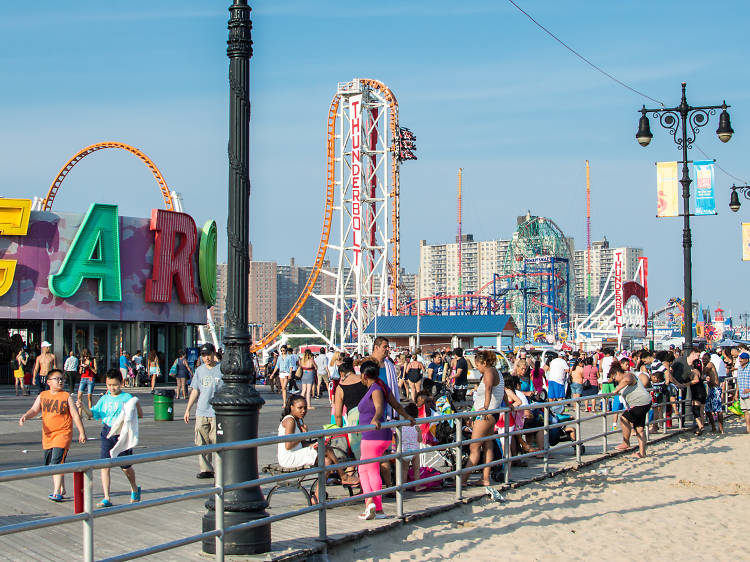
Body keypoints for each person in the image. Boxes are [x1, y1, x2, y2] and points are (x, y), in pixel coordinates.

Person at [357, 360, 414, 520]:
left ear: (364, 375)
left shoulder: (375, 389)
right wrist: (408, 417)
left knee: (367, 470)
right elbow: (397, 405)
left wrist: (375, 419)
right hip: (383, 436)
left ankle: (371, 504)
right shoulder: (382, 386)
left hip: (372, 435)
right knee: (370, 468)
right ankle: (378, 508)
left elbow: (380, 407)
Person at [19, 368, 87, 501]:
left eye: (62, 379)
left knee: (56, 462)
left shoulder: (66, 396)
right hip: (48, 435)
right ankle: (61, 488)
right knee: (51, 463)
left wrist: (81, 432)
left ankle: (56, 492)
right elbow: (34, 409)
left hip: (63, 434)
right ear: (49, 381)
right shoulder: (43, 395)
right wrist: (25, 416)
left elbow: (74, 415)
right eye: (57, 379)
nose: (60, 381)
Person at [86, 369, 143, 507]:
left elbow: (139, 415)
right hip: (107, 432)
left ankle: (134, 488)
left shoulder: (127, 398)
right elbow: (93, 414)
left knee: (126, 467)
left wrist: (136, 405)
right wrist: (82, 407)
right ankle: (107, 497)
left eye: (115, 385)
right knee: (105, 465)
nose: (112, 388)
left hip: (122, 434)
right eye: (109, 385)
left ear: (121, 383)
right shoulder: (104, 399)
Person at [463, 350, 520, 487]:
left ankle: (462, 480)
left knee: (474, 447)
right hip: (492, 414)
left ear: (483, 363)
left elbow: (488, 389)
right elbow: (503, 392)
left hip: (486, 415)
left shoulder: (488, 372)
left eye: (477, 364)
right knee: (487, 446)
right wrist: (507, 405)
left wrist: (486, 407)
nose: (476, 367)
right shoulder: (497, 372)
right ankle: (485, 478)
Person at [183, 343, 223, 479]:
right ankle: (206, 469)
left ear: (214, 354)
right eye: (204, 355)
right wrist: (188, 409)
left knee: (217, 441)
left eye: (208, 355)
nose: (206, 358)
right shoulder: (199, 371)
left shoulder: (221, 369)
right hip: (202, 411)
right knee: (201, 441)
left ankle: (220, 468)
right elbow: (195, 391)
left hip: (217, 412)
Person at [611, 361, 652, 459]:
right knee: (639, 429)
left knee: (624, 418)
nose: (615, 380)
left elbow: (627, 380)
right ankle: (642, 453)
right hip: (642, 403)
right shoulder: (623, 380)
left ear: (617, 374)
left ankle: (626, 442)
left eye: (614, 377)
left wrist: (616, 389)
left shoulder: (628, 375)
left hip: (640, 403)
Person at [703, 353, 724, 434]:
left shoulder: (710, 364)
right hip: (711, 389)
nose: (704, 360)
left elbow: (703, 372)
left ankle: (721, 428)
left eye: (705, 359)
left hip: (716, 389)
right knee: (707, 410)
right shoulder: (706, 366)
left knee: (718, 409)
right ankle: (713, 427)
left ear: (709, 359)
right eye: (703, 359)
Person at [77, 349, 97, 420]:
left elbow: (95, 371)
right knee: (79, 395)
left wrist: (89, 367)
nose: (85, 357)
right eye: (84, 356)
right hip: (83, 378)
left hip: (90, 378)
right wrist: (81, 367)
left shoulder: (93, 360)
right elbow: (80, 372)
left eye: (87, 356)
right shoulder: (82, 360)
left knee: (89, 396)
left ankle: (89, 414)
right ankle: (80, 414)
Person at [734, 351, 750, 434]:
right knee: (745, 412)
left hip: (749, 394)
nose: (740, 360)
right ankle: (748, 429)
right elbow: (738, 382)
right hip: (742, 394)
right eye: (740, 358)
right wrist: (736, 393)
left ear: (746, 360)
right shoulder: (739, 368)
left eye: (742, 359)